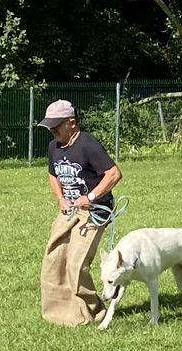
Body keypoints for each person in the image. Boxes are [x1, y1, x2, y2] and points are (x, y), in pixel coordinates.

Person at [38, 99, 122, 326]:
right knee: (54, 258)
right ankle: (58, 311)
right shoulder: (54, 147)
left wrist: (90, 197)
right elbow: (53, 175)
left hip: (94, 211)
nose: (52, 130)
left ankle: (93, 311)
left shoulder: (88, 144)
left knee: (76, 263)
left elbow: (113, 174)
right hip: (69, 210)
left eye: (56, 125)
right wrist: (60, 198)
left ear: (71, 123)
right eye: (50, 126)